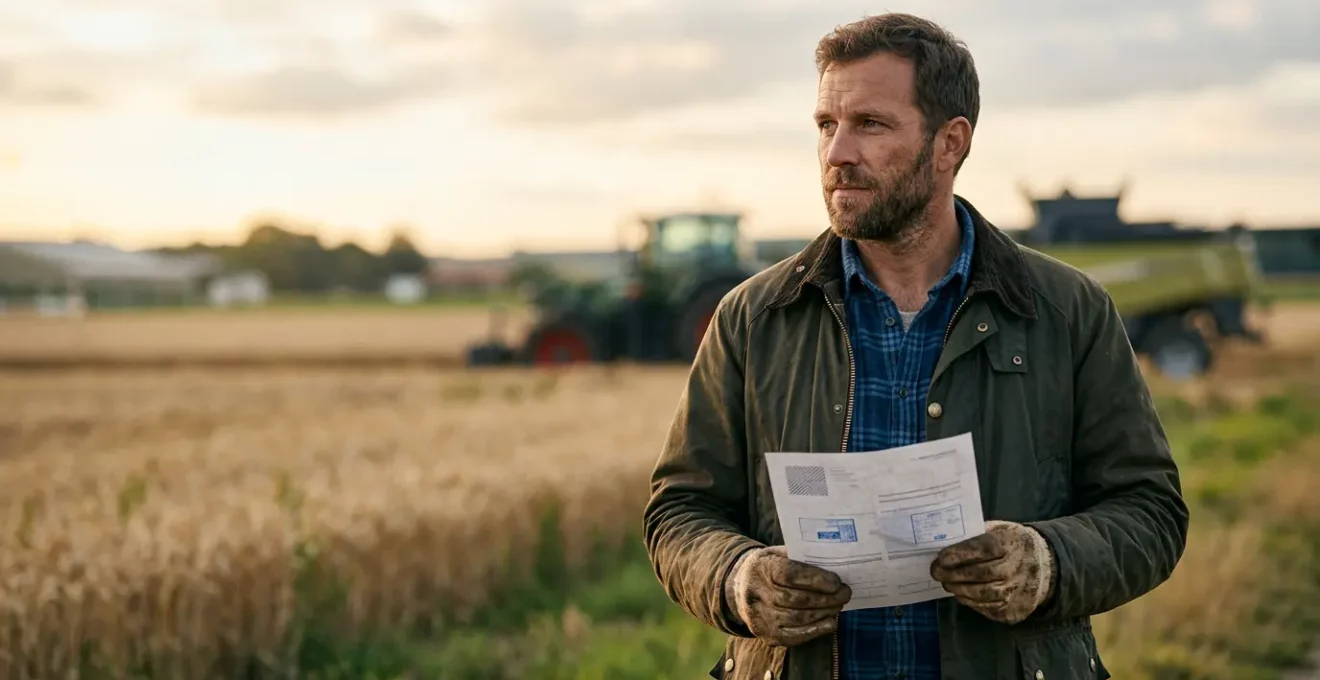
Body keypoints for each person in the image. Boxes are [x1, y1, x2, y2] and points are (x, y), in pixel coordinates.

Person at [642, 12, 1188, 680]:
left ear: (949, 144)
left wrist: (1048, 562)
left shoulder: (1067, 312)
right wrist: (735, 576)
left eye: (870, 124)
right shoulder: (752, 319)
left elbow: (1151, 511)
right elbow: (680, 510)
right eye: (825, 125)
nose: (838, 151)